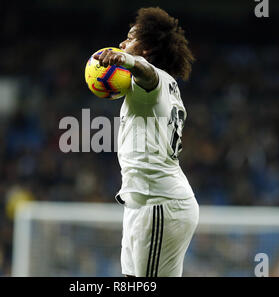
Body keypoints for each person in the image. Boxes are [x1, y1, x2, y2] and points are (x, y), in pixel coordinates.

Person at [94, 7, 199, 277]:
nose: (122, 44)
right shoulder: (163, 88)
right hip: (144, 202)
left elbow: (146, 73)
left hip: (159, 203)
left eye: (130, 38)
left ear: (147, 51)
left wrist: (126, 61)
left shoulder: (154, 81)